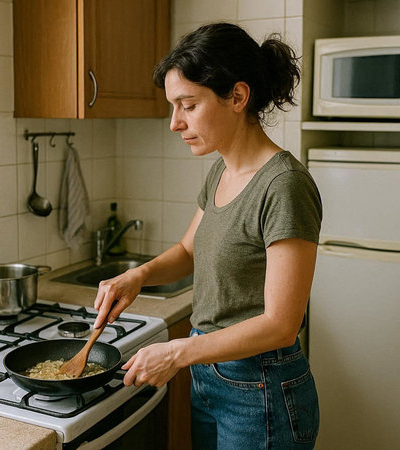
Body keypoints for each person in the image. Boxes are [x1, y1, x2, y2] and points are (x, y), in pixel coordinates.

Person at [93, 22, 322, 449]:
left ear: (237, 96)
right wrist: (138, 275)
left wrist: (177, 353)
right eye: (172, 107)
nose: (175, 123)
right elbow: (187, 249)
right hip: (211, 376)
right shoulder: (221, 169)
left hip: (262, 389)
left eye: (188, 105)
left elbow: (281, 326)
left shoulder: (285, 185)